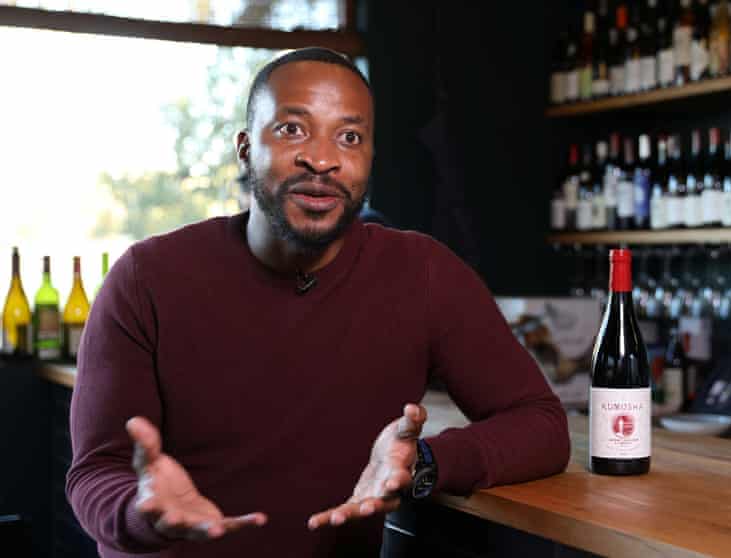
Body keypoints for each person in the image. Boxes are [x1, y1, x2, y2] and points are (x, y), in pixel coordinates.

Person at [66, 47, 571, 557]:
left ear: (370, 158)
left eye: (349, 137)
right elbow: (95, 471)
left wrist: (423, 461)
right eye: (293, 129)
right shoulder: (145, 278)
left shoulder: (423, 273)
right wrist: (142, 511)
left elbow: (541, 425)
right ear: (244, 148)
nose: (322, 158)